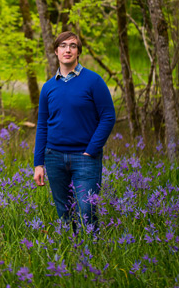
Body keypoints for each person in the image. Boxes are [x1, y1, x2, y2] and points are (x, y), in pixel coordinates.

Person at [33, 31, 116, 232]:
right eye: (62, 46)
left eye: (72, 45)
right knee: (64, 212)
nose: (67, 50)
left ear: (78, 51)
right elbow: (42, 124)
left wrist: (92, 149)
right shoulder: (48, 87)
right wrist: (38, 163)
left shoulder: (93, 81)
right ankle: (71, 254)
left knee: (86, 209)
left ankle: (92, 252)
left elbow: (108, 116)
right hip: (54, 157)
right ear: (56, 51)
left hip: (85, 157)